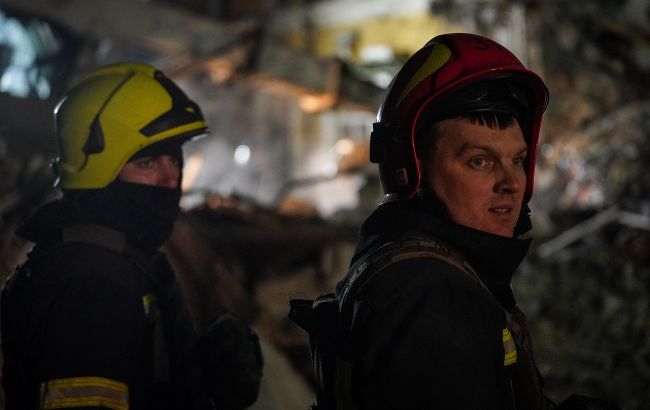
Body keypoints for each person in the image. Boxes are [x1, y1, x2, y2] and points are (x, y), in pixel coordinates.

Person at [289, 33, 618, 410]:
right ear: (414, 167)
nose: (511, 183)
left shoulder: (412, 266)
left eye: (516, 160)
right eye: (480, 161)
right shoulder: (432, 296)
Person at [1, 63, 262, 410]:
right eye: (148, 163)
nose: (171, 178)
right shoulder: (91, 282)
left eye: (174, 158)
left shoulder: (116, 259)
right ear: (98, 170)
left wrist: (195, 368)